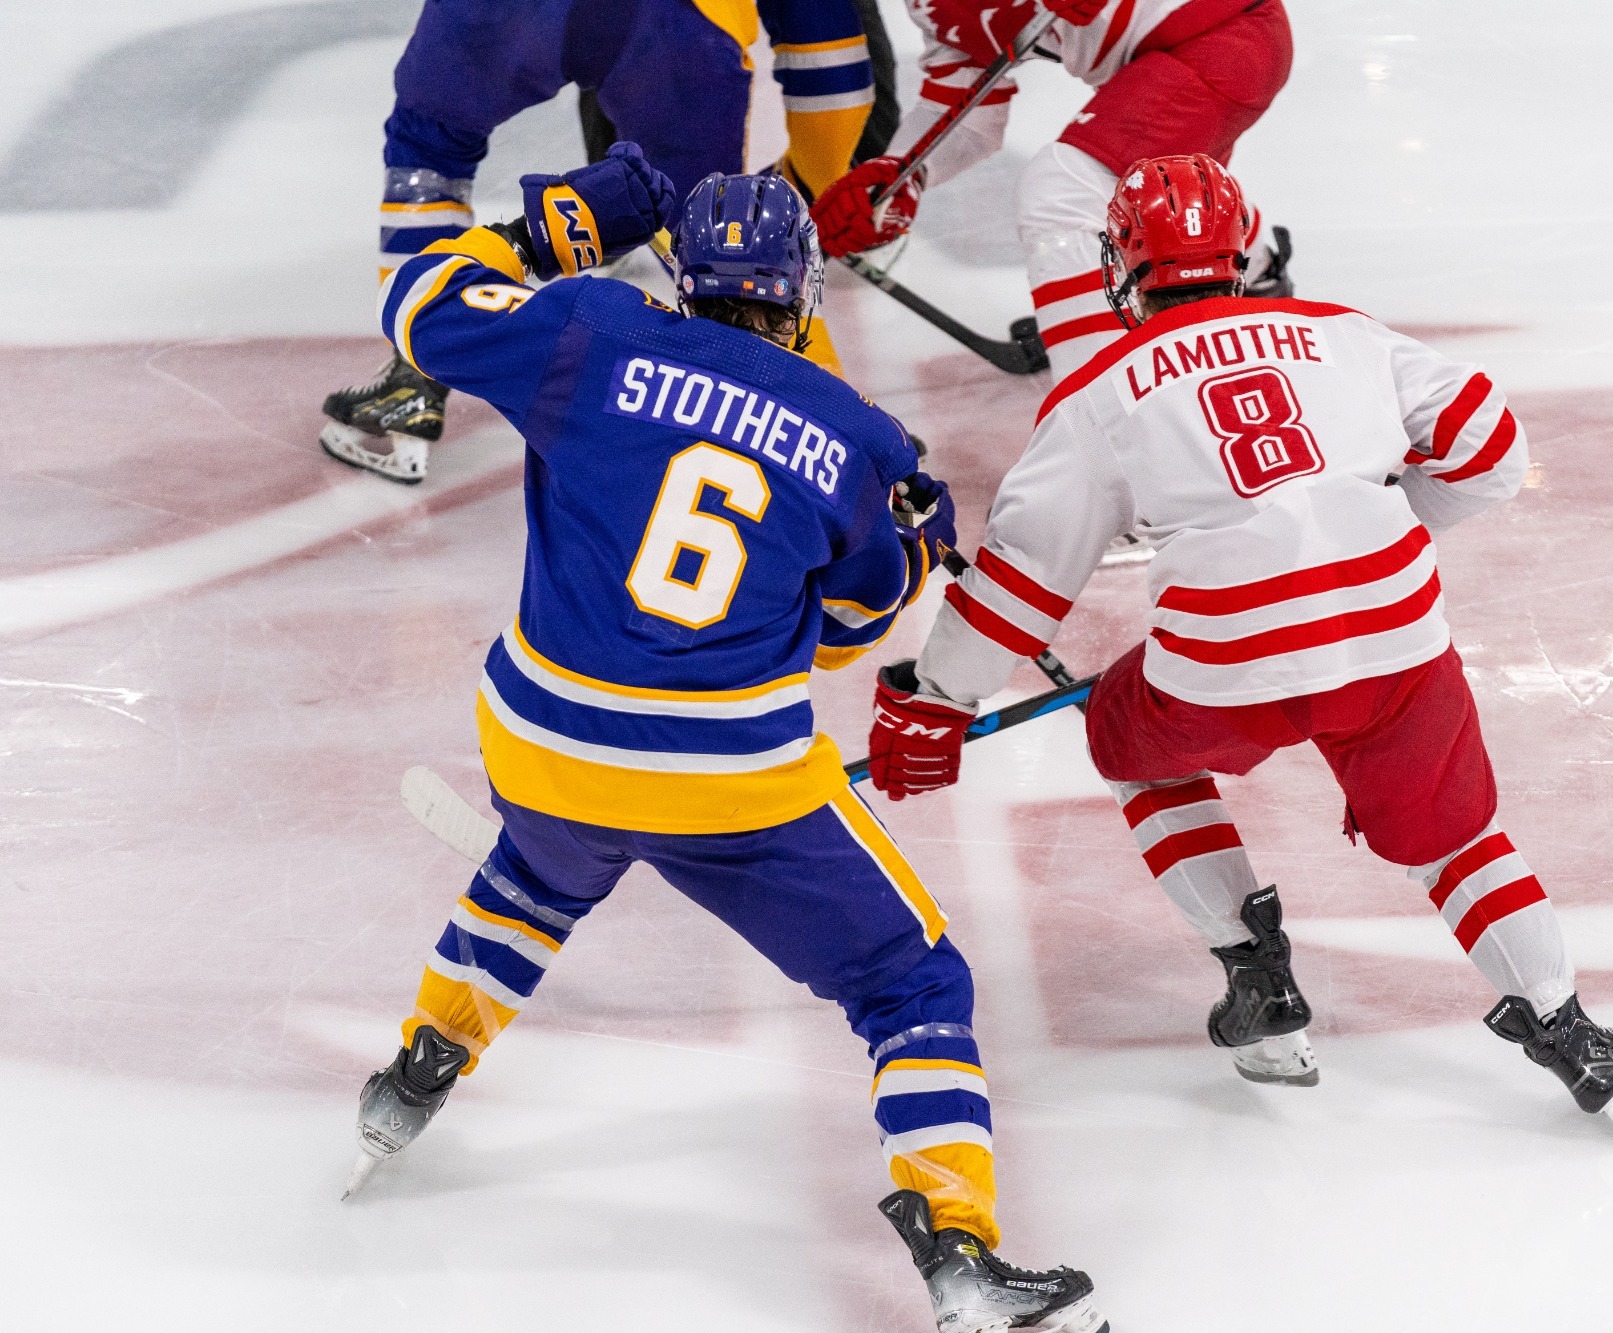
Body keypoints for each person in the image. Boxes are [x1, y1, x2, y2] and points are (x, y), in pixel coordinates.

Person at [344, 149, 1109, 1333]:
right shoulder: (847, 432)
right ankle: (955, 1244)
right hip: (731, 784)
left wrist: (550, 235)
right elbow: (849, 635)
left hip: (539, 742)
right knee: (910, 984)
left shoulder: (591, 327)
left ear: (681, 273)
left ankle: (415, 1071)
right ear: (800, 287)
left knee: (540, 867)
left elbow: (420, 307)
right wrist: (907, 543)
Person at [865, 154, 1613, 1141]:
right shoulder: (1344, 334)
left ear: (1122, 266)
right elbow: (1489, 446)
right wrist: (1385, 524)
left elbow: (1022, 581)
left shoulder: (1100, 391)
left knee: (1132, 749)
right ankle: (1571, 1036)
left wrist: (938, 696)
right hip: (1391, 647)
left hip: (1223, 668)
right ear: (1243, 248)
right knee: (1457, 839)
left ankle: (1255, 975)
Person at [321, 0, 878, 484]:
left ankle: (412, 379)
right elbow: (826, 48)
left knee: (429, 146)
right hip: (678, 20)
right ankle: (827, 426)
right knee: (721, 244)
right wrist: (816, 185)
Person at [811, 0, 1297, 381]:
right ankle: (1256, 270)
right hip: (1164, 61)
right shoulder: (934, 7)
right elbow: (968, 115)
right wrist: (900, 174)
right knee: (1157, 197)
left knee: (1065, 187)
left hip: (1226, 32)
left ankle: (1099, 406)